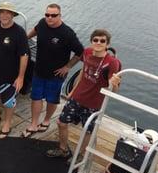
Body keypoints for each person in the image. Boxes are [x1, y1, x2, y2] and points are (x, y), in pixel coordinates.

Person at [47, 29, 121, 158]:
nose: (98, 43)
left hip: (94, 104)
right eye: (95, 40)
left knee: (88, 131)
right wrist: (72, 91)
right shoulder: (86, 52)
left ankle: (80, 155)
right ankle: (63, 150)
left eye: (102, 41)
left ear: (107, 45)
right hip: (77, 97)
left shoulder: (112, 63)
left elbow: (113, 91)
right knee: (61, 123)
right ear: (91, 41)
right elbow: (83, 72)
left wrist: (114, 83)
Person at [22, 4, 84, 138]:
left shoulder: (67, 34)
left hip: (56, 75)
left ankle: (46, 120)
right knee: (36, 97)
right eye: (47, 15)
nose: (50, 18)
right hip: (39, 69)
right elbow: (35, 30)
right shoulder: (42, 23)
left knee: (52, 99)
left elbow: (80, 52)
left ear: (60, 15)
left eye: (53, 15)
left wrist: (67, 67)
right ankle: (33, 124)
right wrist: (25, 38)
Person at [0, 2, 29, 139]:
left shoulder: (19, 32)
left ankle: (7, 123)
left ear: (13, 15)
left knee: (8, 102)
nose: (4, 15)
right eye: (2, 12)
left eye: (8, 12)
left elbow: (24, 55)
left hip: (10, 75)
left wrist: (20, 77)